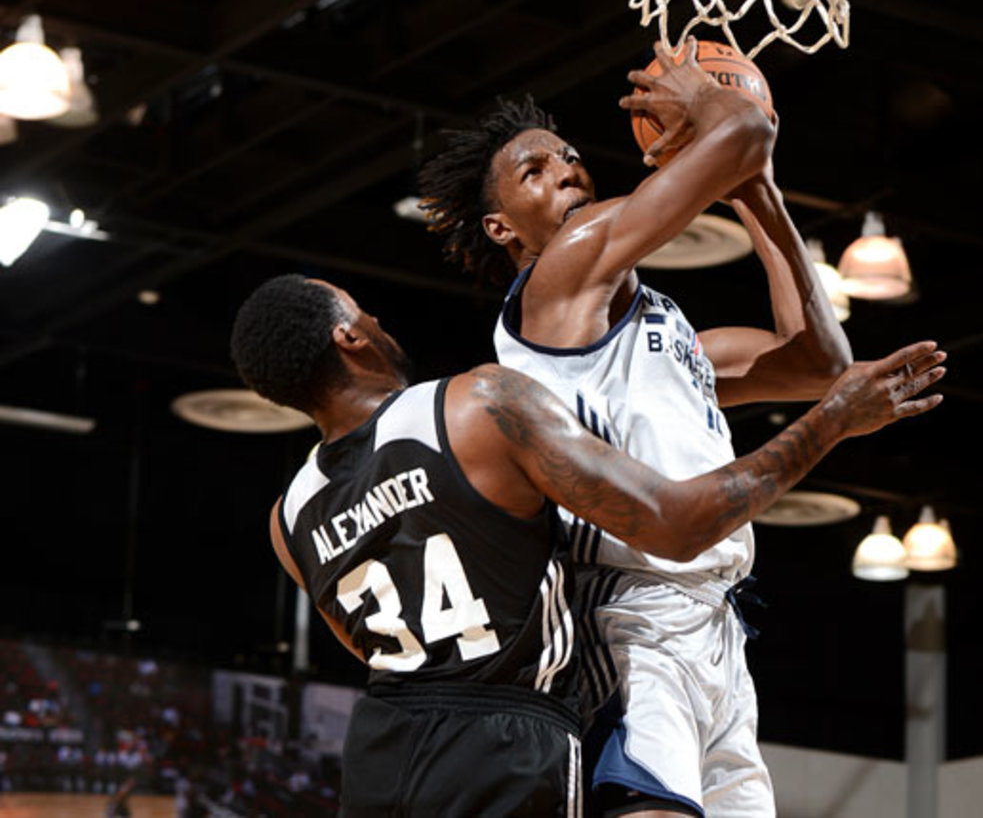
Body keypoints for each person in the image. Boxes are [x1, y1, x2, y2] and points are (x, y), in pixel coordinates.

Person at [229, 274, 944, 817]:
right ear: (349, 338)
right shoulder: (477, 404)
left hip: (381, 751)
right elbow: (677, 521)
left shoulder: (286, 517)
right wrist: (832, 421)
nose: (378, 319)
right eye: (362, 312)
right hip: (508, 737)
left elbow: (369, 647)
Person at [418, 38, 888, 817]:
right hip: (628, 616)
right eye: (535, 171)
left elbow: (818, 360)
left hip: (717, 621)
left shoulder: (673, 335)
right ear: (503, 229)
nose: (567, 169)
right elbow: (746, 130)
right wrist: (718, 112)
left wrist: (758, 191)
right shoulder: (557, 277)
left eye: (568, 156)